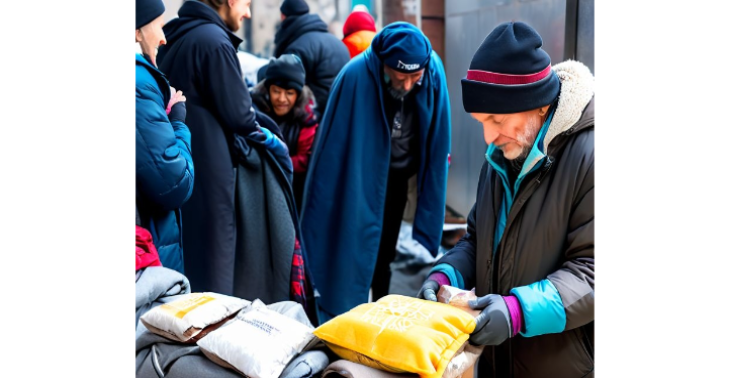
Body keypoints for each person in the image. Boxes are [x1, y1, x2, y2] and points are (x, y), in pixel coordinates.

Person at [417, 21, 595, 377]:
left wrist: (518, 312)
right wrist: (444, 273)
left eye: (496, 119)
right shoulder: (503, 155)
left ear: (539, 106)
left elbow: (593, 273)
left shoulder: (591, 157)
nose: (488, 135)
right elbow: (477, 237)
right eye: (481, 121)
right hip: (499, 362)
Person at [300, 22, 451, 323]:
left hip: (399, 173)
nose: (407, 85)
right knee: (354, 242)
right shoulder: (355, 75)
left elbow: (439, 130)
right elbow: (331, 148)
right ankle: (348, 311)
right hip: (361, 172)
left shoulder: (432, 70)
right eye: (400, 77)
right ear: (384, 65)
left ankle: (379, 306)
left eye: (414, 78)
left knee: (386, 248)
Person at [156, 0, 288, 294]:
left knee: (189, 257)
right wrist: (270, 136)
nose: (248, 12)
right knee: (216, 259)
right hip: (212, 169)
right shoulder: (214, 41)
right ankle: (211, 333)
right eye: (246, 3)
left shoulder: (177, 34)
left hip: (182, 160)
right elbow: (241, 114)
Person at [135, 0, 194, 274]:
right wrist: (178, 123)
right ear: (136, 32)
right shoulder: (138, 83)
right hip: (149, 256)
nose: (163, 37)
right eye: (157, 26)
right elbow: (174, 184)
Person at [251, 54, 319, 210]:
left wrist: (274, 164)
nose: (282, 99)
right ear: (267, 89)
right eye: (276, 91)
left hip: (294, 192)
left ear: (299, 94)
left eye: (289, 93)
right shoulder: (254, 111)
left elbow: (305, 159)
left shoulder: (307, 118)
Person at [274, 0, 350, 118]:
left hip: (312, 120)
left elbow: (284, 90)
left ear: (283, 16)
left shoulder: (297, 48)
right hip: (342, 115)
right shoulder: (337, 43)